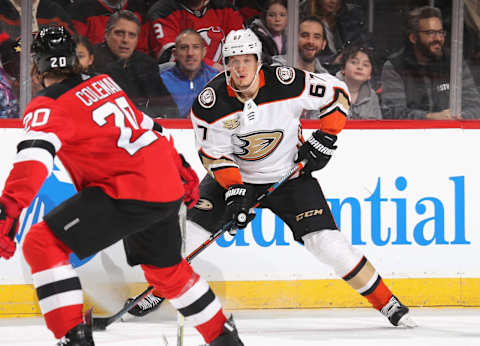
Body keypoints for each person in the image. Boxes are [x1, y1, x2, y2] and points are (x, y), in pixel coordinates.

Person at [126, 28, 416, 329]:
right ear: (224, 63)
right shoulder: (210, 103)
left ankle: (388, 302)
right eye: (233, 61)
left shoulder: (286, 82)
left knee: (328, 245)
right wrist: (236, 192)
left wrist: (326, 137)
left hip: (289, 175)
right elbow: (215, 156)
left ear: (258, 61)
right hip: (237, 177)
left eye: (247, 60)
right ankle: (159, 289)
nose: (240, 69)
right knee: (188, 236)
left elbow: (338, 95)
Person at [0, 24, 244, 346]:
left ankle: (74, 339)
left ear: (36, 68)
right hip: (164, 186)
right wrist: (180, 167)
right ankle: (222, 337)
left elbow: (33, 161)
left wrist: (9, 209)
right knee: (167, 271)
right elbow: (150, 128)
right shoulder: (104, 83)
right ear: (75, 59)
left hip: (126, 191)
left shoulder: (47, 105)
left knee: (41, 244)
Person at [381, 6, 480, 119]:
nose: (438, 38)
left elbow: (475, 105)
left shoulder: (454, 61)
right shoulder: (395, 66)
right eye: (431, 33)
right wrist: (430, 118)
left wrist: (459, 117)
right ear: (413, 38)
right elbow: (393, 113)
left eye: (440, 32)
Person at [94, 10, 178, 117]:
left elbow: (168, 107)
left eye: (132, 35)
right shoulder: (92, 62)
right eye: (119, 33)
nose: (125, 40)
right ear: (106, 35)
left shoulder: (147, 64)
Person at [147, 0, 244, 67]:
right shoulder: (163, 11)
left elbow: (242, 48)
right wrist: (211, 68)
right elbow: (169, 55)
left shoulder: (226, 8)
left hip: (222, 82)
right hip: (180, 85)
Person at [160, 29, 219, 118]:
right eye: (184, 47)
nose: (190, 53)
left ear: (204, 52)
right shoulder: (160, 82)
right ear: (175, 53)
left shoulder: (217, 79)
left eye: (195, 47)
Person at [299, 0, 368, 73]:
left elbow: (363, 45)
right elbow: (301, 53)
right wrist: (332, 60)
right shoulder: (300, 13)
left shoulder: (351, 15)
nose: (333, 1)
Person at [67, 0, 150, 54]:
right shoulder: (80, 9)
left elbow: (143, 50)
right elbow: (76, 50)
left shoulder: (139, 7)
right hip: (96, 69)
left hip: (133, 67)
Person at [336, 44, 381, 119]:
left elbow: (377, 125)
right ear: (343, 69)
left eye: (365, 65)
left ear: (369, 75)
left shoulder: (372, 96)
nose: (359, 67)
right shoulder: (329, 90)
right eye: (354, 62)